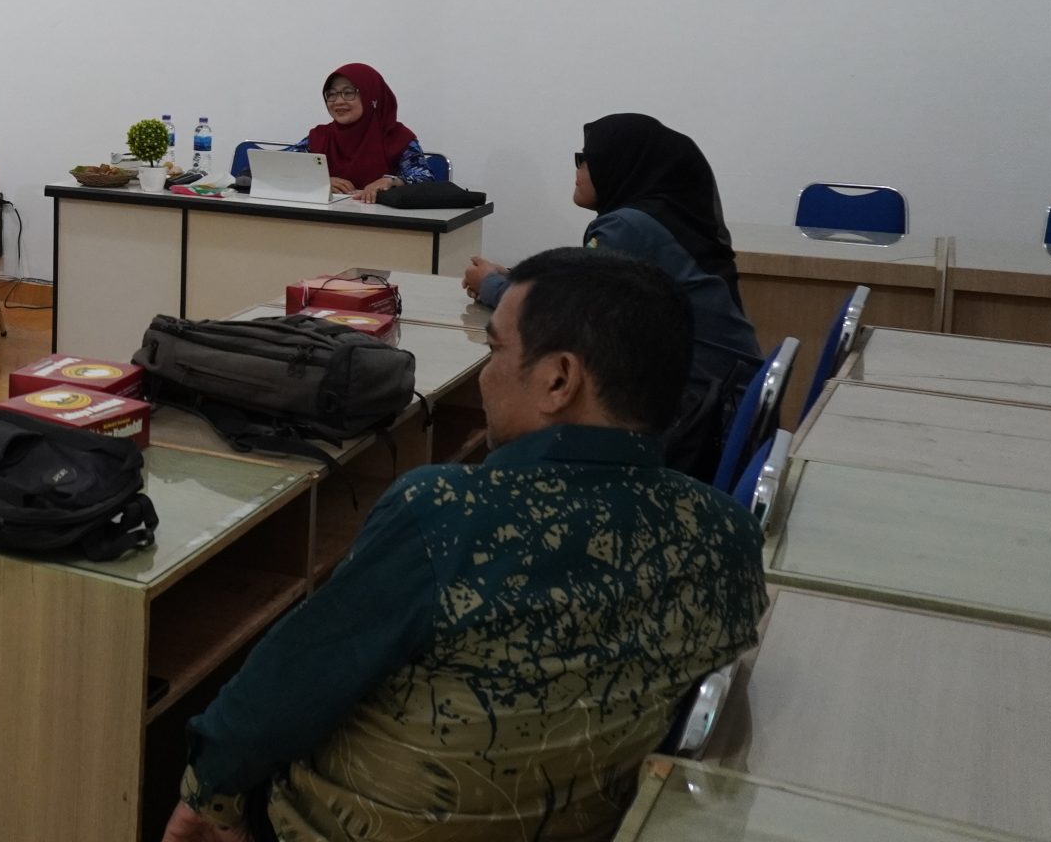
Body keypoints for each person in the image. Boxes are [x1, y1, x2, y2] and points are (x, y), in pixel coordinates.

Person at [164, 248, 768, 842]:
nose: (485, 375)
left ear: (558, 380)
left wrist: (204, 795)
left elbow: (282, 691)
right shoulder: (727, 536)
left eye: (496, 350)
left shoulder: (446, 514)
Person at [463, 113, 763, 476]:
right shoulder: (660, 217)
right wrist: (513, 279)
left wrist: (490, 285)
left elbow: (567, 311)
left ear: (621, 165)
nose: (577, 169)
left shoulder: (627, 227)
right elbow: (580, 285)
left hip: (695, 421)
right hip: (722, 406)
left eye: (586, 159)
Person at [297, 64, 444, 202]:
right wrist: (320, 181)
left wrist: (391, 181)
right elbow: (284, 168)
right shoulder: (321, 136)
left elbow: (425, 179)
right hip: (326, 217)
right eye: (331, 94)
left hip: (383, 218)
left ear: (371, 97)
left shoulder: (396, 137)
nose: (338, 101)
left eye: (348, 93)